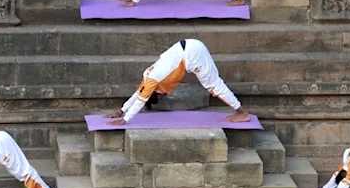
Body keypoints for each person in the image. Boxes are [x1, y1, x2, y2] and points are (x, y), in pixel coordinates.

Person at [104, 39, 251, 125]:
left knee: (213, 86)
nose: (164, 96)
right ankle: (240, 111)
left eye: (160, 97)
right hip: (189, 46)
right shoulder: (147, 76)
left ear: (155, 93)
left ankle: (242, 113)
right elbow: (138, 94)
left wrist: (125, 120)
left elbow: (141, 100)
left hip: (192, 54)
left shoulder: (152, 80)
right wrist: (121, 111)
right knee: (214, 84)